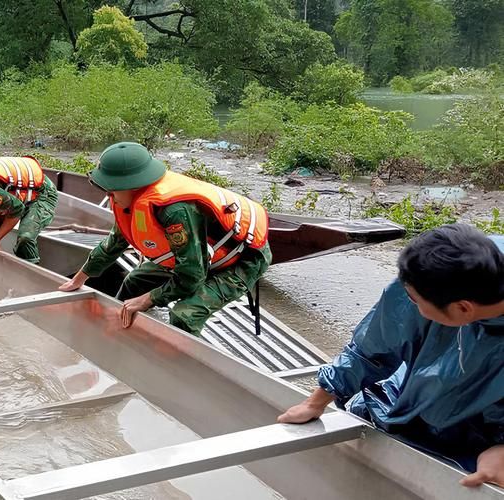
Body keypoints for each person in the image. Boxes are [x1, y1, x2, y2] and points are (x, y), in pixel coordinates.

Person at [278, 224, 504, 488]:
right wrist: (315, 403)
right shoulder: (441, 272)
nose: (410, 302)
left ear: (463, 309)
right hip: (425, 388)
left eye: (416, 301)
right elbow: (375, 343)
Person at [58, 142, 272, 334]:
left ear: (133, 185)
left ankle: (182, 362)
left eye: (112, 190)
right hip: (200, 254)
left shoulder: (174, 211)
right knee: (134, 281)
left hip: (241, 259)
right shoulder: (129, 202)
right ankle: (118, 332)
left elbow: (191, 277)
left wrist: (148, 299)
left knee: (184, 315)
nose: (108, 196)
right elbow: (113, 245)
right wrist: (79, 279)